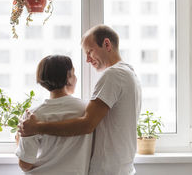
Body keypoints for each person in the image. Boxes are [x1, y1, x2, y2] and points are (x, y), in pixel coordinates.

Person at [19, 24, 142, 175]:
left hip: (109, 170)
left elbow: (87, 124)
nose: (88, 60)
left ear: (107, 44)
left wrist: (37, 127)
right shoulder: (129, 74)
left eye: (90, 51)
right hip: (121, 168)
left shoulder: (114, 75)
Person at [16, 55, 92, 174]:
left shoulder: (33, 116)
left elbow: (25, 165)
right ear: (69, 77)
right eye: (74, 73)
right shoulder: (86, 110)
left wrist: (19, 141)